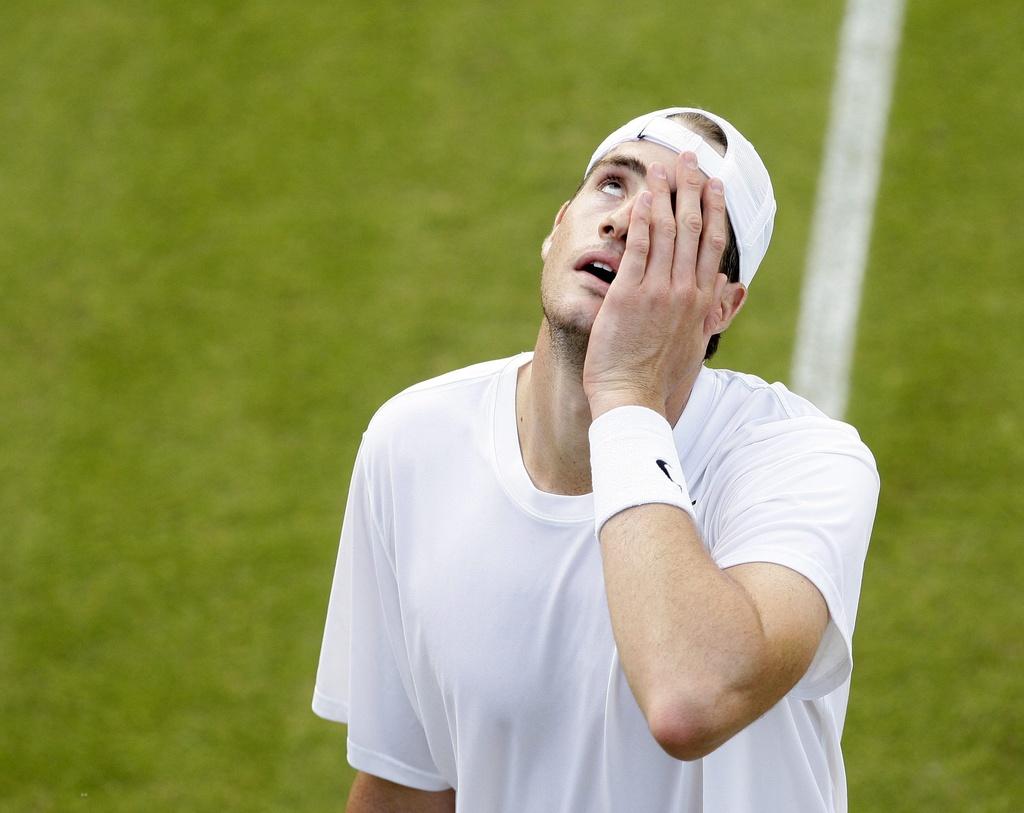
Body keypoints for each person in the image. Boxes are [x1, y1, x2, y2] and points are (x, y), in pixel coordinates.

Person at [312, 107, 879, 812]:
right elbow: (408, 783)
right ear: (557, 227)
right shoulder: (412, 442)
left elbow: (690, 698)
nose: (629, 223)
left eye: (680, 222)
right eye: (613, 184)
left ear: (723, 307)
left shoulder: (802, 461)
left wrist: (624, 391)